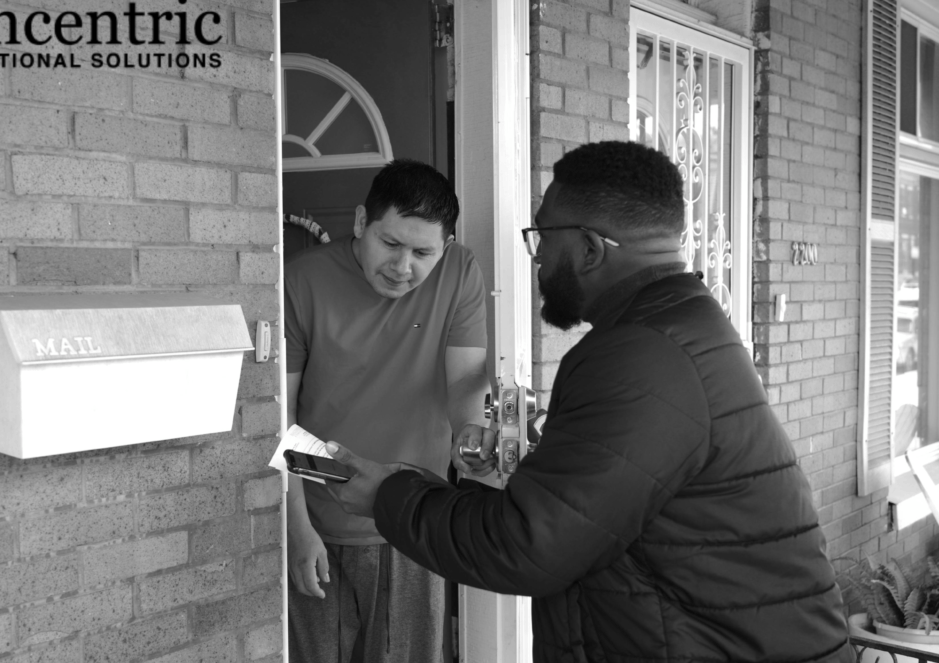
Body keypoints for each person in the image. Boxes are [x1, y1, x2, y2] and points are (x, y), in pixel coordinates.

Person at [324, 141, 855, 661]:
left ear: (590, 249)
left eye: (542, 238)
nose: (537, 258)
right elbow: (608, 502)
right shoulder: (678, 325)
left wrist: (388, 495)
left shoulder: (642, 355)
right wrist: (549, 459)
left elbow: (528, 545)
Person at [284, 159, 489, 662]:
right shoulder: (302, 279)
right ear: (361, 222)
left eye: (423, 253)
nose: (403, 267)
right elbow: (280, 411)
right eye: (390, 244)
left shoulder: (460, 271)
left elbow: (465, 377)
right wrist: (295, 526)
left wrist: (470, 428)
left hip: (412, 516)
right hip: (318, 516)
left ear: (446, 246)